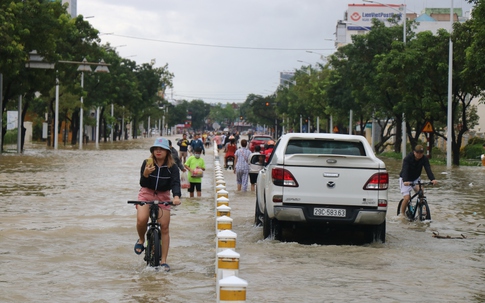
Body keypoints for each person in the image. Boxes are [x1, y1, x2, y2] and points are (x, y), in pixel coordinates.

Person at [134, 137, 182, 272]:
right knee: (141, 219)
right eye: (156, 149)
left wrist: (176, 197)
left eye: (161, 149)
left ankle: (164, 261)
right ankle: (141, 240)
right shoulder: (147, 163)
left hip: (163, 195)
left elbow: (175, 183)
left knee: (165, 227)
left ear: (167, 151)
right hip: (146, 193)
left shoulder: (172, 167)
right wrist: (146, 174)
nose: (158, 151)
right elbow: (142, 183)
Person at [399, 145, 438, 217]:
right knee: (407, 198)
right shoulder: (407, 159)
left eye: (421, 152)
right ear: (414, 152)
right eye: (417, 152)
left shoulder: (424, 159)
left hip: (416, 179)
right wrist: (405, 181)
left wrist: (432, 179)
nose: (419, 154)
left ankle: (420, 212)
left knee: (421, 193)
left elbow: (428, 169)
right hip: (406, 179)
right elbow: (405, 170)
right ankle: (402, 214)